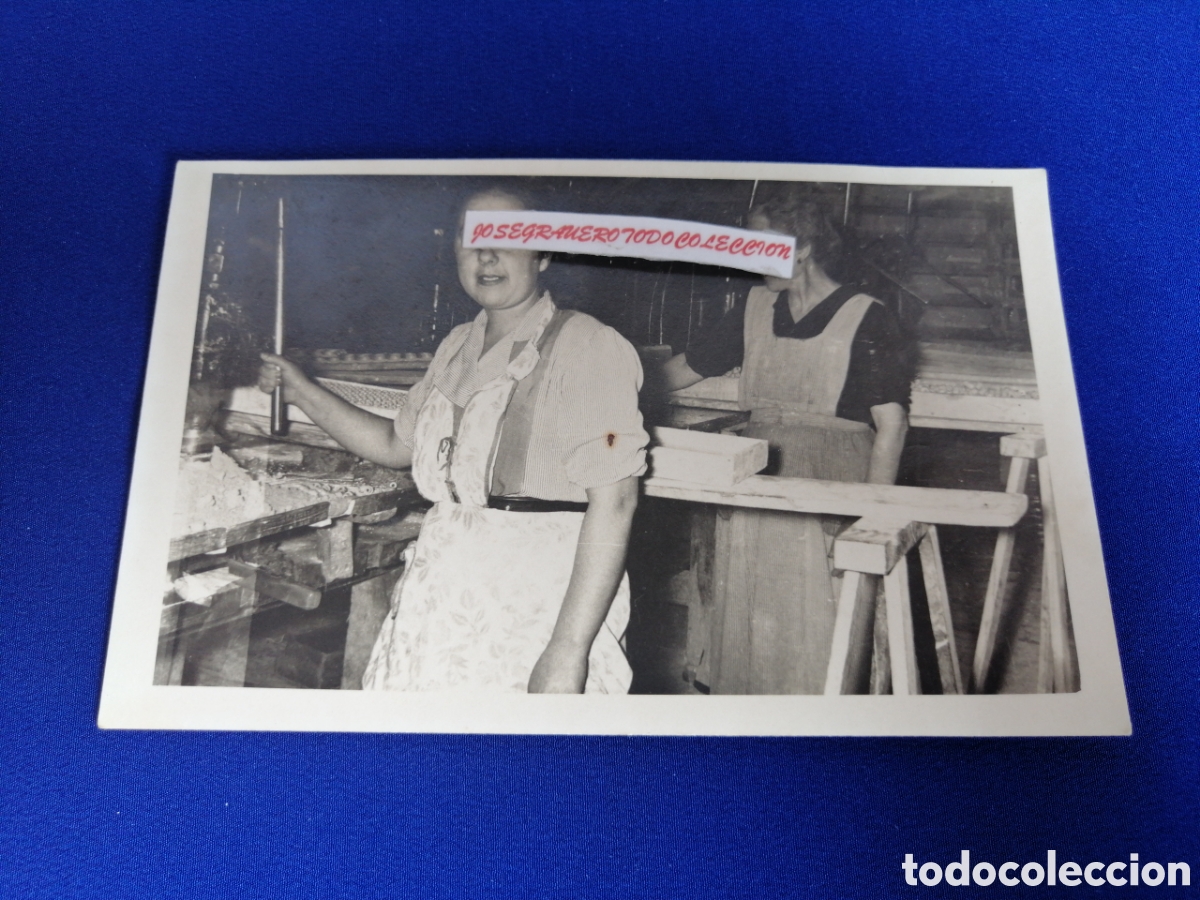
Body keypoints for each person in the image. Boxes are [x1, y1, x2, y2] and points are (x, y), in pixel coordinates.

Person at [258, 188, 648, 693]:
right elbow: (395, 445)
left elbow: (615, 501)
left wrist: (567, 651)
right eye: (474, 238)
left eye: (508, 237)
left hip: (537, 608)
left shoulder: (591, 346)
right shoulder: (456, 346)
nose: (487, 255)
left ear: (545, 252)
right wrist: (302, 392)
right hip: (440, 597)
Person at [660, 193, 911, 694]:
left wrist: (870, 516)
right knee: (746, 617)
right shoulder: (754, 308)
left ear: (802, 249)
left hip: (828, 488)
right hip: (755, 480)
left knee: (819, 630)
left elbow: (892, 426)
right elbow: (685, 369)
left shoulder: (868, 316)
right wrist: (614, 385)